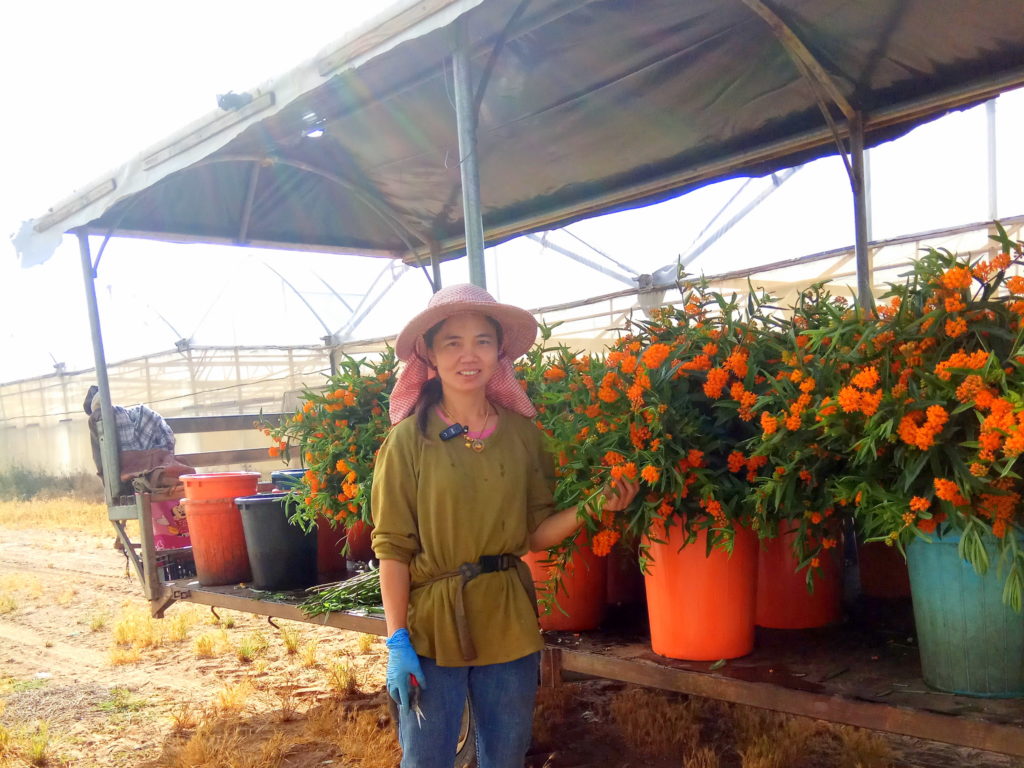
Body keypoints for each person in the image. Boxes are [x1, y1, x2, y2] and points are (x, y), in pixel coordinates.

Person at [370, 284, 638, 768]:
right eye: (452, 341)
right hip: (432, 625)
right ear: (429, 354)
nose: (468, 355)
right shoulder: (408, 441)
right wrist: (397, 640)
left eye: (482, 340)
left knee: (505, 757)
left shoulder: (522, 435)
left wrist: (595, 506)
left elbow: (533, 533)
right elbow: (392, 548)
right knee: (426, 758)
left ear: (500, 351)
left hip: (508, 619)